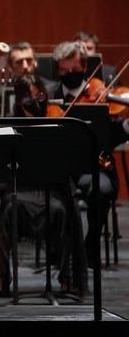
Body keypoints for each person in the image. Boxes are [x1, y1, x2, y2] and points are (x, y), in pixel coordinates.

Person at [0, 74, 87, 297]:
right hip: (21, 189)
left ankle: (69, 275)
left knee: (65, 210)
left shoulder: (58, 120)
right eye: (29, 99)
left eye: (40, 95)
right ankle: (0, 276)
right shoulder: (10, 125)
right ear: (19, 102)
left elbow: (71, 163)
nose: (36, 101)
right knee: (6, 210)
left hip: (53, 189)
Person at [50, 40, 125, 263]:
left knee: (101, 190)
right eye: (64, 70)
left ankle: (90, 246)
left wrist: (125, 126)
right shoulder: (50, 97)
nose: (69, 74)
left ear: (84, 68)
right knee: (51, 195)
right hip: (59, 168)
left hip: (95, 167)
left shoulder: (100, 94)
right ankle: (60, 252)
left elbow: (112, 138)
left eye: (74, 70)